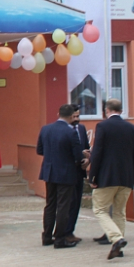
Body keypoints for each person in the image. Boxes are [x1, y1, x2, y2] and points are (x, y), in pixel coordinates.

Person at [88, 99, 134, 260]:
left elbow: (97, 153)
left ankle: (116, 239)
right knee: (119, 211)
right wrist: (133, 177)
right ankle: (118, 247)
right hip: (126, 177)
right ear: (121, 110)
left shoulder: (103, 126)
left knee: (100, 209)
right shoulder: (132, 128)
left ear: (106, 110)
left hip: (107, 176)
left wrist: (92, 176)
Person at [36, 104, 83, 249]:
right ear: (71, 116)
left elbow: (40, 150)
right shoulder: (71, 132)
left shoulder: (45, 129)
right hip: (66, 173)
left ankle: (47, 236)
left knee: (50, 204)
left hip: (49, 171)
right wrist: (83, 157)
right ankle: (60, 238)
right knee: (63, 206)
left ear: (58, 114)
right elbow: (77, 156)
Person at [64, 106, 90, 242]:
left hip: (80, 171)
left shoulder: (81, 128)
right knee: (67, 203)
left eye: (78, 116)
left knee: (76, 203)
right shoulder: (62, 130)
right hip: (67, 172)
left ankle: (70, 231)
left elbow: (86, 148)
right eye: (73, 117)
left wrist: (87, 159)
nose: (76, 119)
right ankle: (63, 232)